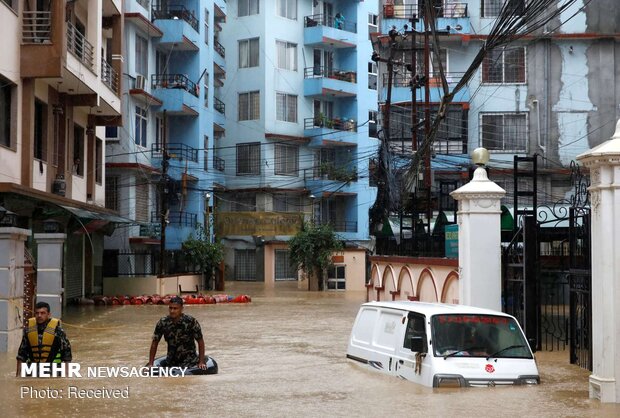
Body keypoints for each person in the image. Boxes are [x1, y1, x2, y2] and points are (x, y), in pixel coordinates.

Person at [147, 296, 207, 370]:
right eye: (170, 308)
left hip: (189, 362)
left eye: (175, 308)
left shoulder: (191, 321)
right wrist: (150, 363)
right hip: (171, 362)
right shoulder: (163, 322)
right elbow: (154, 343)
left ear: (181, 309)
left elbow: (200, 342)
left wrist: (201, 362)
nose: (172, 311)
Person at [16, 301, 72, 376]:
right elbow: (21, 355)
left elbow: (67, 355)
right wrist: (17, 377)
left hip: (53, 371)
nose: (39, 315)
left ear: (48, 314)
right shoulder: (28, 331)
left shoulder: (58, 331)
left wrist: (67, 376)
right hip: (33, 371)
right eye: (37, 313)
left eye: (42, 313)